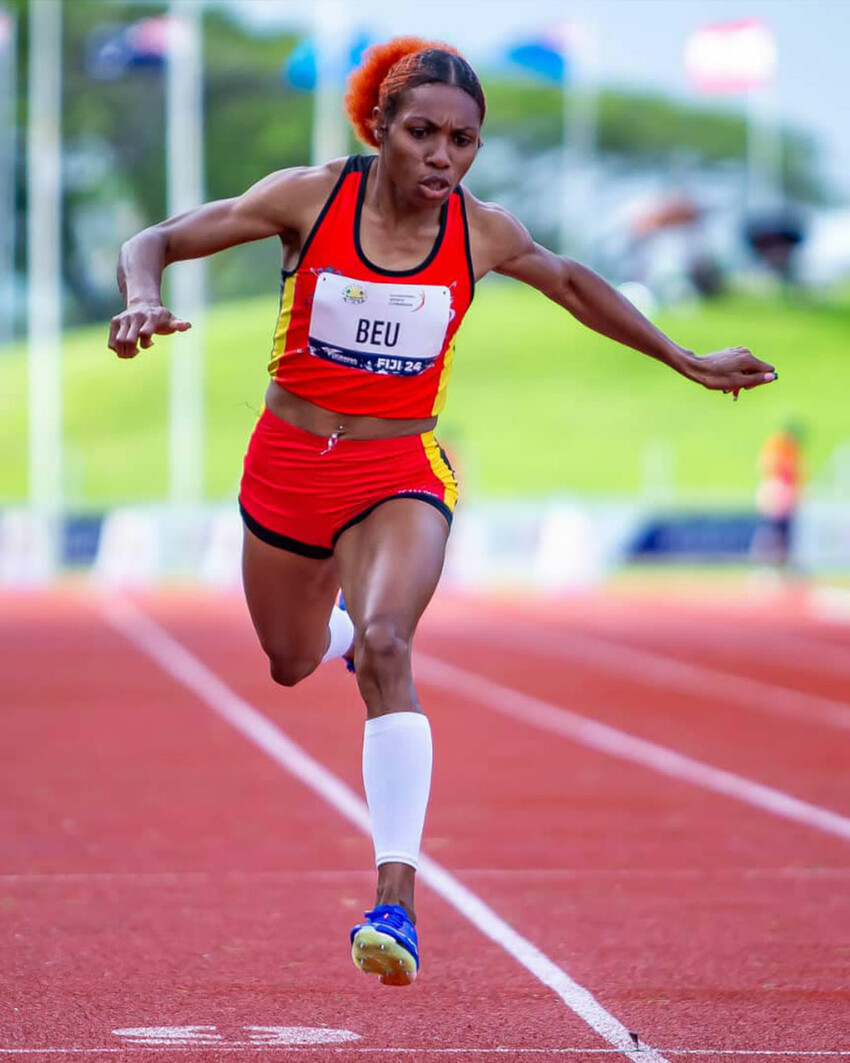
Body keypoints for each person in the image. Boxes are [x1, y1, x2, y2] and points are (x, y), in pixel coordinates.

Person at [108, 37, 777, 987]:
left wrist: (683, 357)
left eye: (462, 142)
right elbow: (157, 239)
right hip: (290, 466)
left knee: (388, 646)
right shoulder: (311, 197)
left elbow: (575, 282)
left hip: (400, 468)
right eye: (422, 132)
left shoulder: (482, 231)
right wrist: (141, 297)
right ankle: (329, 624)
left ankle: (396, 901)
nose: (441, 157)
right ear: (380, 128)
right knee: (293, 660)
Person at [752, 423, 804, 569]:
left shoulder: (791, 451)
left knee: (783, 532)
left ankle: (780, 562)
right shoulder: (778, 449)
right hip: (776, 494)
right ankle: (766, 561)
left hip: (783, 496)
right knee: (772, 530)